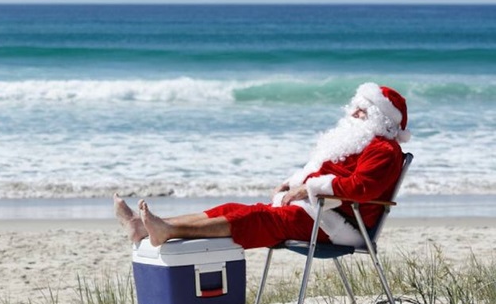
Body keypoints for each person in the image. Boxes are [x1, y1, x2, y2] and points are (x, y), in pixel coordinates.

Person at [115, 82, 411, 248]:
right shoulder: (356, 143)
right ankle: (143, 227)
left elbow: (362, 188)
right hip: (319, 210)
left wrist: (310, 188)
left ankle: (167, 230)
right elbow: (326, 173)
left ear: (380, 119)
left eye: (362, 109)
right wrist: (296, 184)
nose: (354, 113)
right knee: (232, 208)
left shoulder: (383, 150)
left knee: (256, 219)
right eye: (355, 106)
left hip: (342, 222)